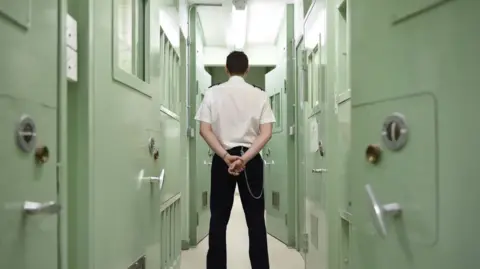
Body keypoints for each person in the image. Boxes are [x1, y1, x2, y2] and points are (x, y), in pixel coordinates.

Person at [194, 50, 276, 269]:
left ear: (226, 69)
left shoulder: (212, 93)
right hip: (251, 162)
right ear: (247, 70)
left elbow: (204, 130)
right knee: (256, 222)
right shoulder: (260, 95)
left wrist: (226, 156)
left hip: (223, 161)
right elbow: (266, 132)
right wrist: (245, 158)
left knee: (218, 220)